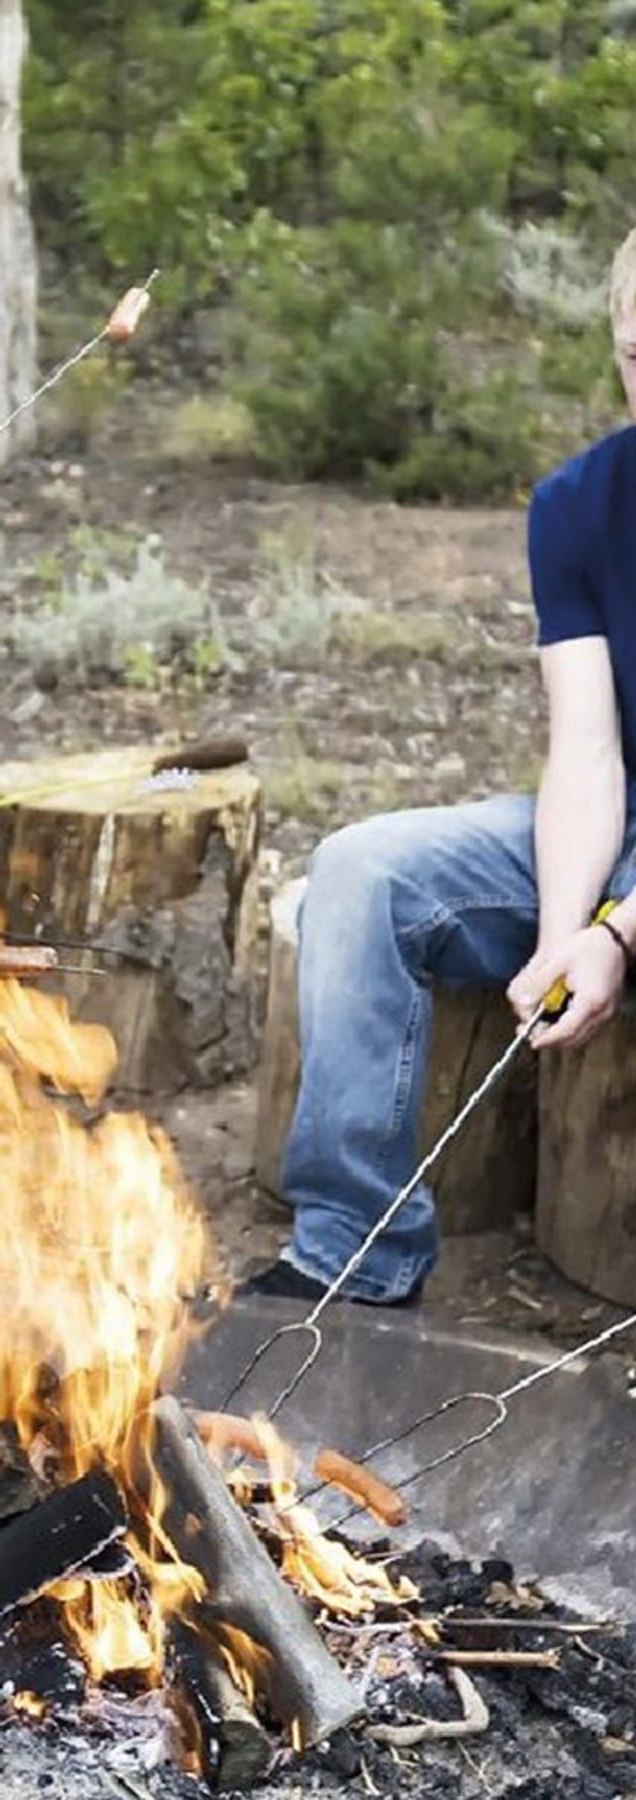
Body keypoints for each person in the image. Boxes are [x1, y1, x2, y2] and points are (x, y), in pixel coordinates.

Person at [247, 226, 636, 1308]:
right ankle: (353, 1254)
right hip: (620, 821)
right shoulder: (579, 504)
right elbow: (590, 749)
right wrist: (565, 930)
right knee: (365, 870)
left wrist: (617, 934)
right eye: (635, 355)